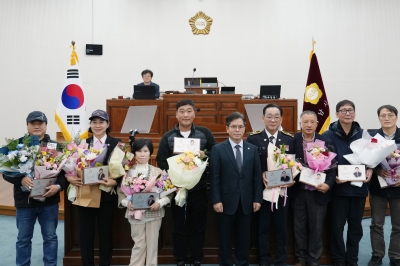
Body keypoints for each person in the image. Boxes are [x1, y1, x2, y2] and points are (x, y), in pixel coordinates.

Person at [156, 99, 217, 266]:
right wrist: (174, 180)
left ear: (194, 113)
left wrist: (203, 155)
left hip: (199, 189)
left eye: (189, 111)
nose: (185, 114)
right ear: (176, 114)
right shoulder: (168, 137)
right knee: (179, 226)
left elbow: (215, 153)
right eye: (182, 111)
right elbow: (161, 161)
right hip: (178, 191)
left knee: (198, 226)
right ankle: (181, 258)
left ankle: (196, 258)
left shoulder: (204, 133)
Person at [3, 111, 66, 266]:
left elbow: (64, 174)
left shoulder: (55, 147)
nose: (37, 126)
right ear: (27, 126)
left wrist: (58, 187)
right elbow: (5, 172)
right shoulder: (16, 146)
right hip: (25, 202)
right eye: (33, 123)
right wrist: (21, 179)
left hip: (49, 201)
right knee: (23, 239)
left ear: (45, 125)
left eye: (40, 123)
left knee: (50, 238)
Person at [66, 109, 122, 266]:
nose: (97, 125)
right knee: (86, 234)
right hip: (86, 194)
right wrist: (69, 177)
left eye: (101, 122)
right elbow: (72, 166)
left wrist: (115, 182)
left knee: (105, 234)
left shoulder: (117, 143)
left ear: (108, 124)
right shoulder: (81, 144)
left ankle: (105, 263)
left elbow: (124, 169)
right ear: (90, 125)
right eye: (94, 122)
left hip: (106, 196)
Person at [322, 100, 373, 266]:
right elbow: (323, 161)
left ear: (355, 113)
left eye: (350, 110)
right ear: (337, 114)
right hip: (338, 190)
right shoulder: (327, 135)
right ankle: (338, 259)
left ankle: (352, 260)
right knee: (336, 227)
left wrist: (371, 168)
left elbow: (373, 158)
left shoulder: (364, 135)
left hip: (358, 190)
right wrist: (336, 174)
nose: (347, 113)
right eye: (343, 111)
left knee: (356, 228)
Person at [210, 111, 263, 266]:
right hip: (225, 202)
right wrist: (216, 200)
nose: (237, 130)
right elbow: (214, 178)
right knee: (225, 239)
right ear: (227, 129)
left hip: (247, 202)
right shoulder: (218, 149)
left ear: (245, 129)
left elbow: (256, 177)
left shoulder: (252, 149)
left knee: (244, 239)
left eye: (240, 127)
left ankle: (242, 263)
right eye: (233, 127)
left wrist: (257, 199)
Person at [246, 103, 294, 266]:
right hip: (263, 191)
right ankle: (263, 259)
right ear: (262, 118)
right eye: (269, 116)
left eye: (276, 117)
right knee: (262, 228)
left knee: (282, 228)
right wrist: (261, 174)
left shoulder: (289, 139)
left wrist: (291, 177)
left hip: (283, 192)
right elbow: (250, 164)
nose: (272, 120)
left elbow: (295, 163)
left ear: (281, 119)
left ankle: (281, 260)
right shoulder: (253, 138)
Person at [291, 110, 336, 266]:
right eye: (305, 122)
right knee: (299, 227)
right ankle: (301, 258)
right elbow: (287, 163)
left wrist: (328, 185)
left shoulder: (325, 141)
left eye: (312, 122)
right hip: (298, 191)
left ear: (317, 124)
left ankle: (314, 260)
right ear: (300, 124)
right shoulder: (293, 140)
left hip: (318, 192)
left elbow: (332, 168)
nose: (309, 125)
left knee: (316, 228)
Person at [118, 138, 171, 266]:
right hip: (135, 212)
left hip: (154, 213)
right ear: (134, 153)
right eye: (139, 151)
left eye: (145, 151)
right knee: (139, 243)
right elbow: (121, 192)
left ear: (150, 153)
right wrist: (127, 203)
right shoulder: (128, 172)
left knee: (153, 244)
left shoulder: (158, 172)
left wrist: (160, 203)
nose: (142, 154)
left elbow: (169, 192)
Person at [368, 105, 400, 266]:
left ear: (396, 117)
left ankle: (395, 256)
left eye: (390, 115)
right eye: (383, 115)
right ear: (379, 118)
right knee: (376, 223)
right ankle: (377, 255)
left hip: (399, 188)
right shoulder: (372, 138)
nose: (386, 118)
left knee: (398, 224)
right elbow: (365, 161)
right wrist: (377, 170)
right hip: (377, 188)